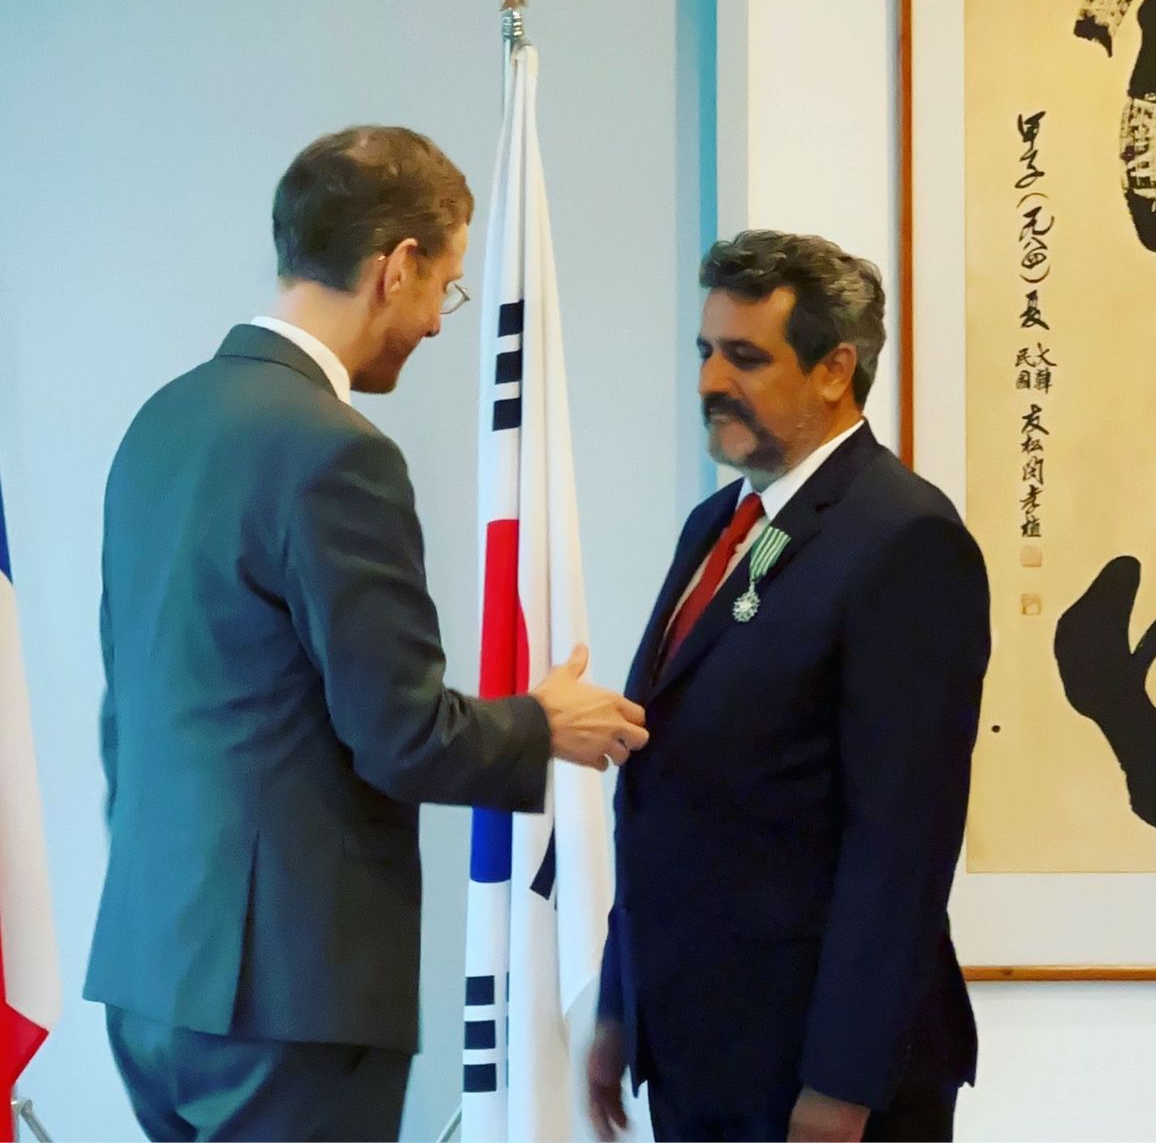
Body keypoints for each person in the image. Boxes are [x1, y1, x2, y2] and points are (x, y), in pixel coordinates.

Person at [83, 125, 648, 1143]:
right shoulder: (338, 454)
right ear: (398, 267)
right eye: (447, 288)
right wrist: (542, 723)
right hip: (287, 998)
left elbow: (128, 711)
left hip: (149, 974)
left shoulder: (159, 425)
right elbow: (399, 734)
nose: (435, 322)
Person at [587, 230, 990, 1143]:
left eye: (745, 357)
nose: (709, 381)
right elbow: (667, 785)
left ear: (835, 369)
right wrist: (620, 1005)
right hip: (696, 1049)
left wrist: (842, 1084)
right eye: (705, 351)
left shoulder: (905, 540)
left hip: (820, 1074)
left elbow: (903, 843)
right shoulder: (720, 523)